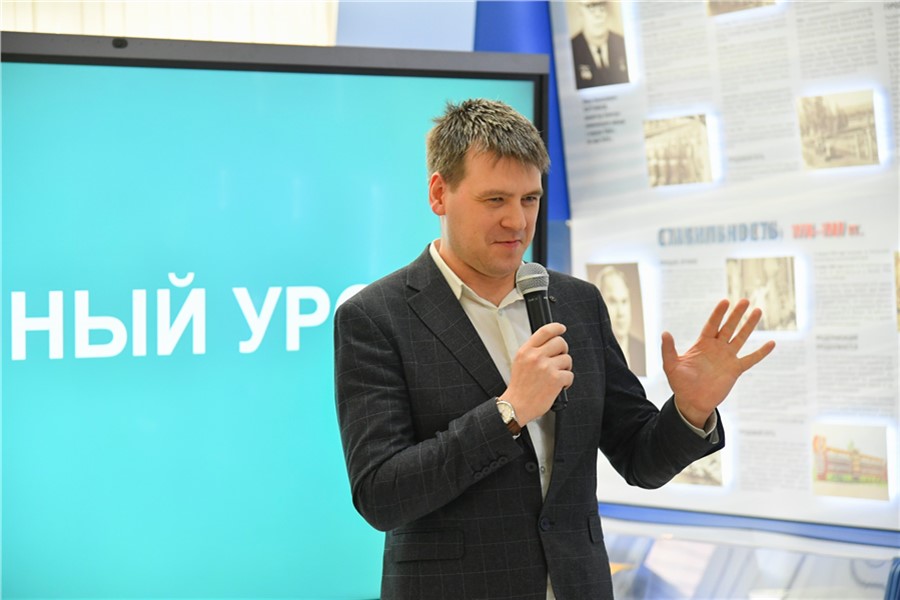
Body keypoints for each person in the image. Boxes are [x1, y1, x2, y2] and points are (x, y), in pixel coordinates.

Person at [334, 99, 774, 600]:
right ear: (439, 193)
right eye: (495, 200)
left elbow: (640, 460)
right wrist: (508, 412)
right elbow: (381, 495)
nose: (517, 221)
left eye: (530, 199)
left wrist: (691, 410)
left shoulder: (577, 302)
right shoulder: (376, 316)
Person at [594, 266, 646, 376]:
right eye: (613, 301)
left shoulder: (642, 349)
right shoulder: (591, 354)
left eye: (624, 301)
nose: (621, 313)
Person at [570, 0, 629, 89]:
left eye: (602, 7)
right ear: (580, 11)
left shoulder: (624, 44)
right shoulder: (571, 50)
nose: (598, 15)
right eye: (591, 8)